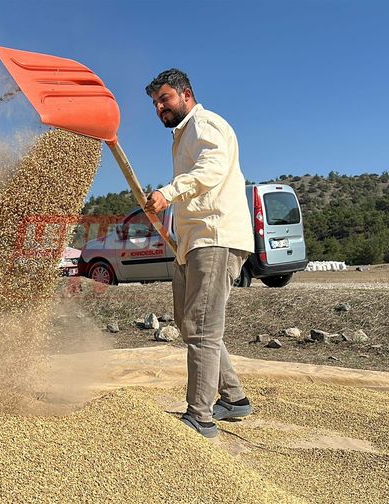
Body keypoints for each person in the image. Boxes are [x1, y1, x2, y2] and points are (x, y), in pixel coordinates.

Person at [144, 69, 254, 438]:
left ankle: (200, 417)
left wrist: (169, 192)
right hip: (192, 242)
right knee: (191, 323)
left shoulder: (205, 125)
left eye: (165, 99)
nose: (160, 107)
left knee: (203, 328)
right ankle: (234, 399)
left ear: (185, 94)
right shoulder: (181, 136)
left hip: (216, 237)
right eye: (156, 103)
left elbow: (211, 169)